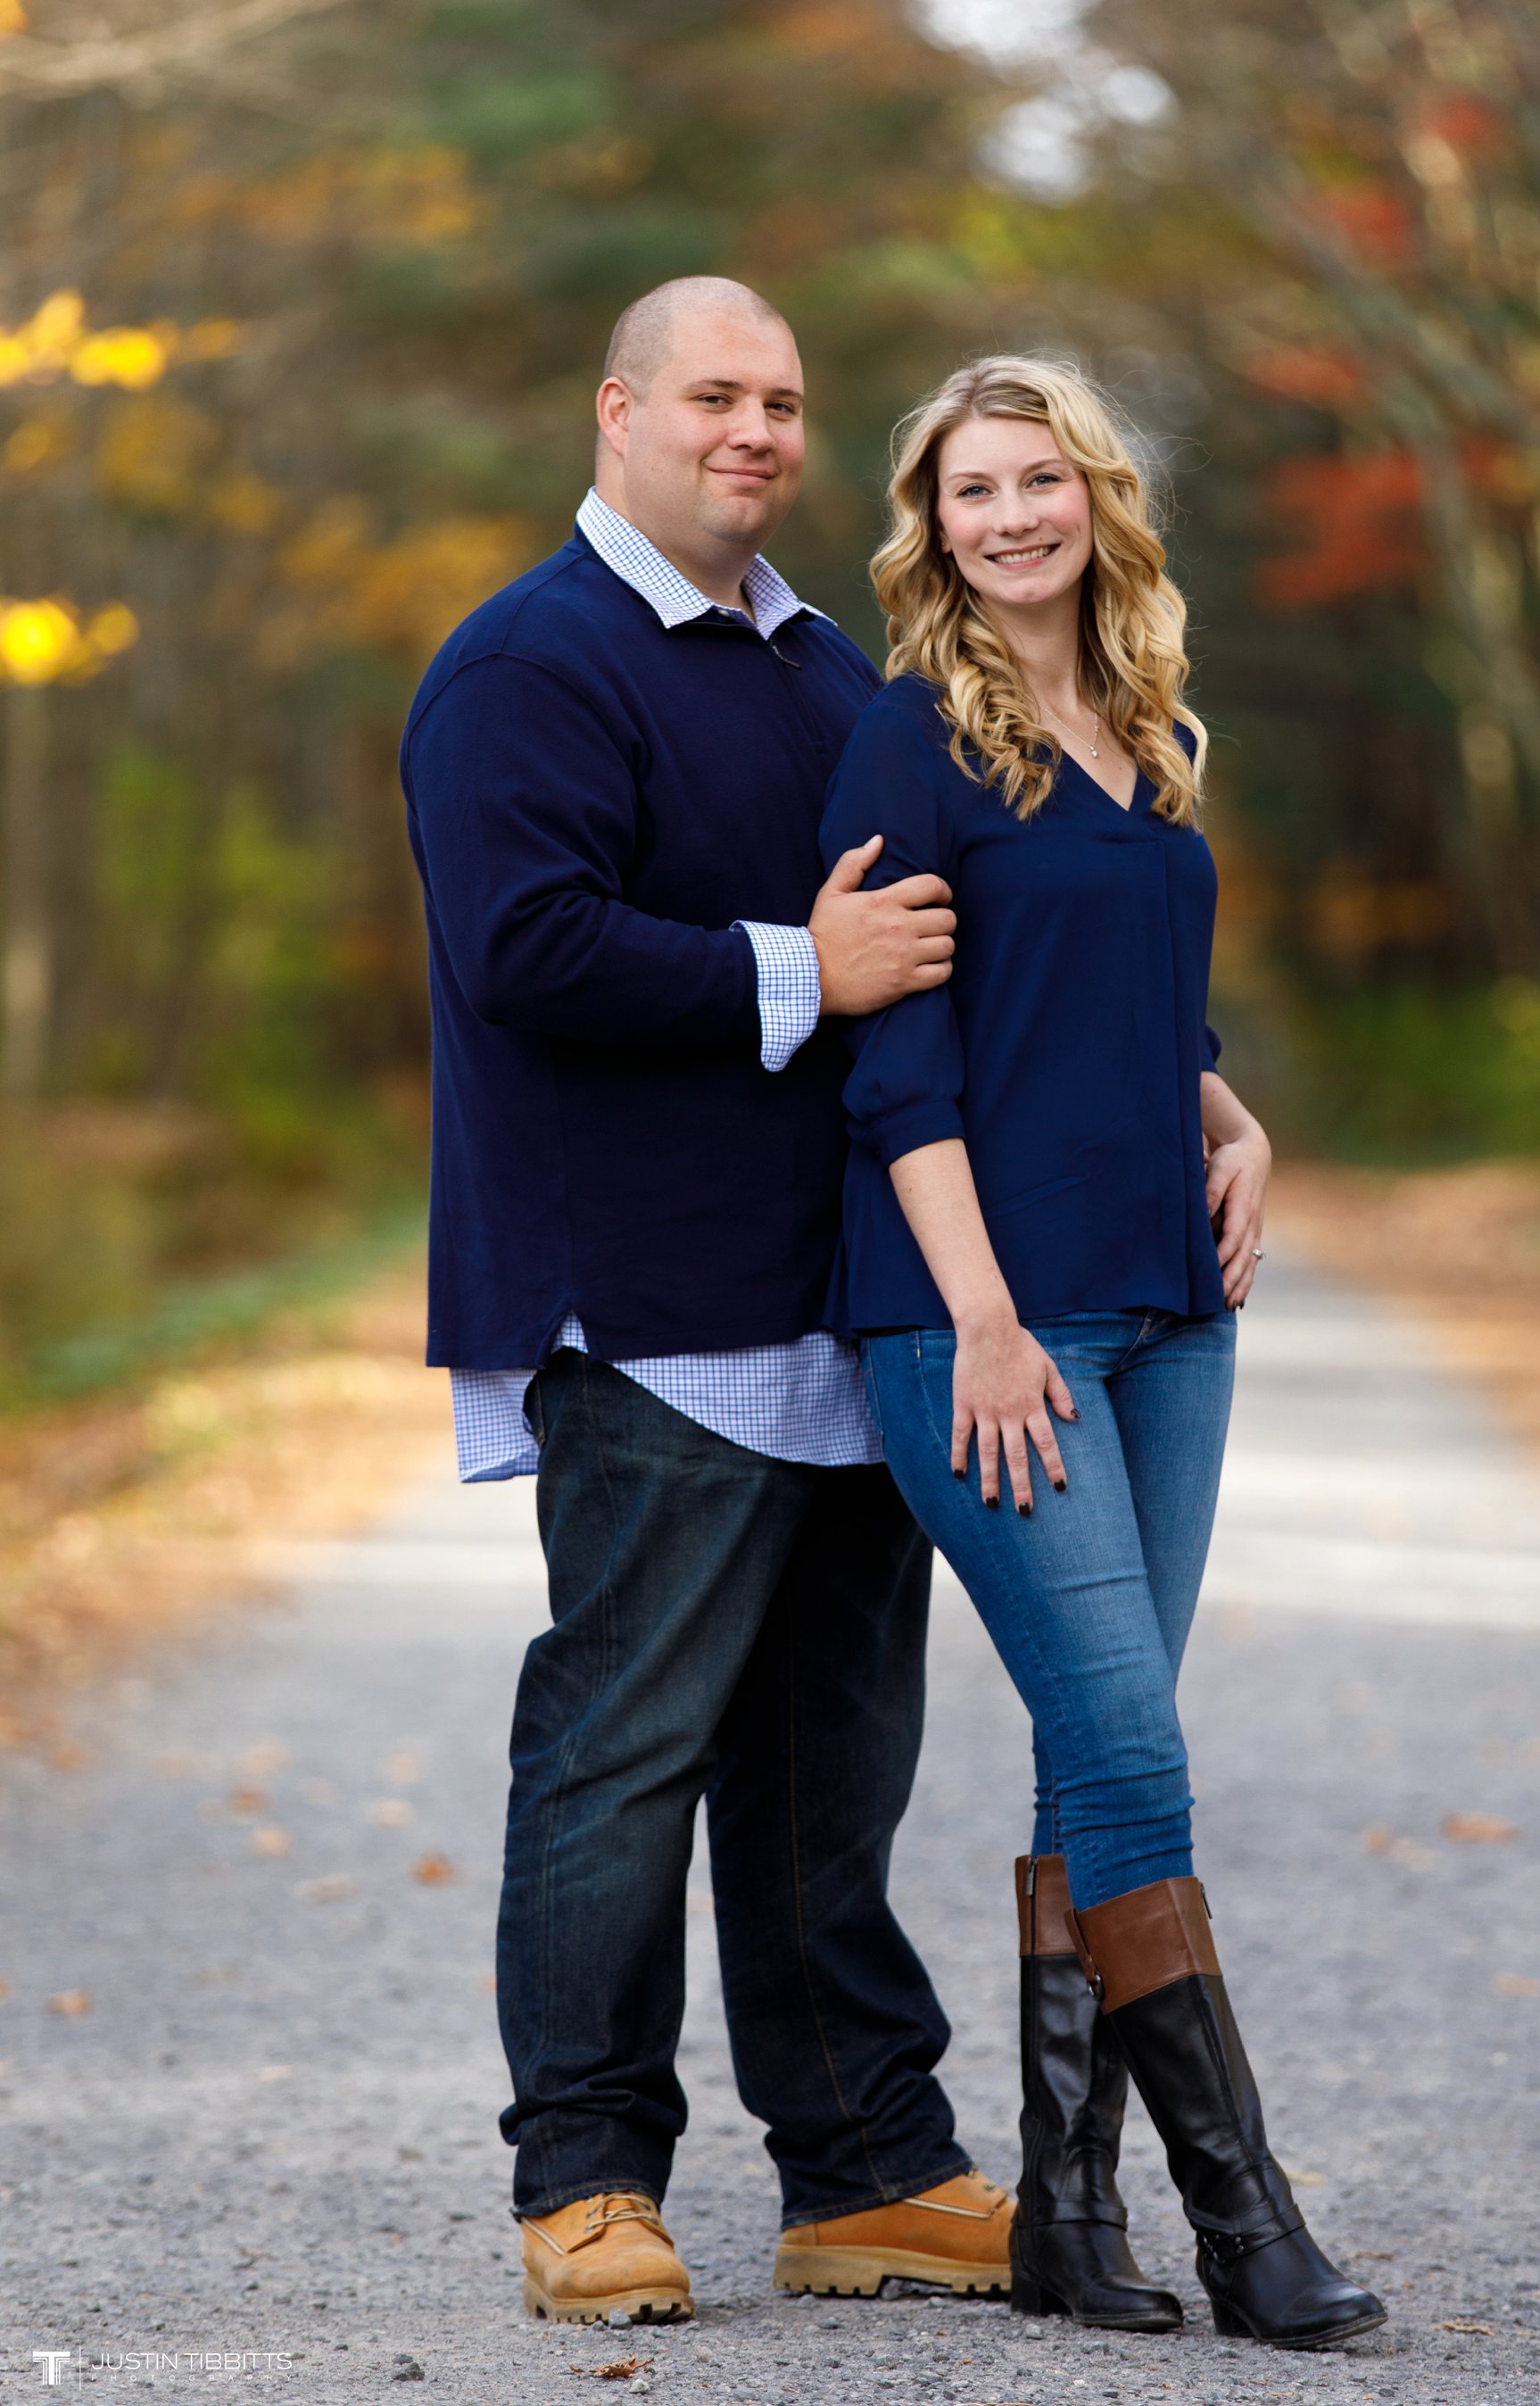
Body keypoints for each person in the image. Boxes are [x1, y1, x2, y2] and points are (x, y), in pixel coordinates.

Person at [400, 278, 1013, 2327]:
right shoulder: (531, 663)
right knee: (620, 1757)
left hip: (843, 1301)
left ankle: (865, 2171)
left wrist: (1192, 1095)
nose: (756, 430)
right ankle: (583, 2181)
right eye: (715, 396)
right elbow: (526, 948)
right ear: (618, 411)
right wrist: (799, 970)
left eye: (785, 401)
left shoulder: (828, 667)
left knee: (832, 1768)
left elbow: (954, 935)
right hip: (648, 1305)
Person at [819, 355, 1387, 2353]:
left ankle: (1066, 2214)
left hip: (1169, 1308)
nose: (1008, 518)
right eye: (970, 491)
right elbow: (900, 1071)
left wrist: (1237, 1123)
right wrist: (978, 1319)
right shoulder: (907, 743)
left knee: (1099, 1746)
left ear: (1097, 499)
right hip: (991, 1322)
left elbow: (1141, 1009)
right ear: (933, 528)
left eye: (1037, 480)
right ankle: (1248, 2225)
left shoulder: (1148, 726)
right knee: (1137, 1751)